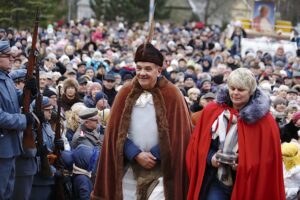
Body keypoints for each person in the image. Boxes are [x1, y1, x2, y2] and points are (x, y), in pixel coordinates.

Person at [91, 42, 192, 200]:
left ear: (159, 70)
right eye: (139, 68)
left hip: (162, 170)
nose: (142, 73)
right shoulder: (125, 92)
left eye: (148, 69)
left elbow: (179, 134)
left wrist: (154, 155)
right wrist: (136, 154)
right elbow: (115, 133)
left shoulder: (173, 94)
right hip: (129, 167)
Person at [186, 68, 285, 200]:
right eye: (232, 88)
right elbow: (197, 146)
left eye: (241, 89)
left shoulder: (265, 121)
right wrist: (211, 158)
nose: (235, 93)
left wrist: (243, 165)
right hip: (217, 181)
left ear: (250, 91)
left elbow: (268, 161)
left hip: (250, 184)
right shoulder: (212, 111)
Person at [0, 39, 35, 199]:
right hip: (2, 148)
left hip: (11, 146)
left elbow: (14, 101)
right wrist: (23, 119)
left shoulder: (6, 79)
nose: (12, 59)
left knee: (7, 192)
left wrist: (30, 92)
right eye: (7, 56)